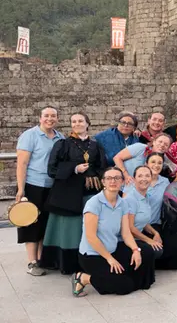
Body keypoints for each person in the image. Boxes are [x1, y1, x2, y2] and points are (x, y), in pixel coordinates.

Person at [70, 168, 155, 297]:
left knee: (146, 251)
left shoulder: (123, 203)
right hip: (93, 255)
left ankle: (121, 277)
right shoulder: (94, 203)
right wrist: (109, 259)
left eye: (117, 178)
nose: (113, 181)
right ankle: (83, 278)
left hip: (113, 249)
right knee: (125, 286)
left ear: (122, 182)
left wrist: (135, 250)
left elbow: (126, 233)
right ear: (103, 182)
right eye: (109, 178)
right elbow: (91, 237)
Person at [41, 112, 107, 275]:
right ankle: (67, 262)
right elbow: (52, 170)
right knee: (69, 230)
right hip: (68, 194)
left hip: (90, 193)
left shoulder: (95, 145)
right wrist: (74, 169)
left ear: (87, 123)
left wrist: (94, 176)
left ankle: (89, 260)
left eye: (80, 121)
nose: (77, 124)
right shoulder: (62, 144)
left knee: (91, 228)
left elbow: (102, 166)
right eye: (74, 121)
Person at [15, 106, 64, 276]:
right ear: (40, 118)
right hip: (33, 185)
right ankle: (32, 262)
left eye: (53, 116)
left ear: (57, 118)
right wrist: (21, 189)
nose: (50, 119)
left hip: (52, 186)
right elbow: (22, 163)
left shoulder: (60, 137)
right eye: (46, 116)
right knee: (31, 223)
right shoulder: (30, 136)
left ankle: (42, 259)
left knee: (46, 223)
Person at [122, 152, 169, 235]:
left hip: (154, 225)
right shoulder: (133, 182)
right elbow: (125, 209)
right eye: (153, 162)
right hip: (135, 225)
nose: (156, 165)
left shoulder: (165, 182)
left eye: (160, 163)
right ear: (146, 164)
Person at [123, 166, 164, 258]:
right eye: (140, 176)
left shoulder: (146, 197)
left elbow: (142, 221)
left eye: (147, 176)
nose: (144, 179)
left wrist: (155, 233)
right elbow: (130, 227)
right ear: (134, 179)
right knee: (155, 250)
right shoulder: (130, 199)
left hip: (137, 237)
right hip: (125, 240)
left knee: (159, 246)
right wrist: (149, 241)